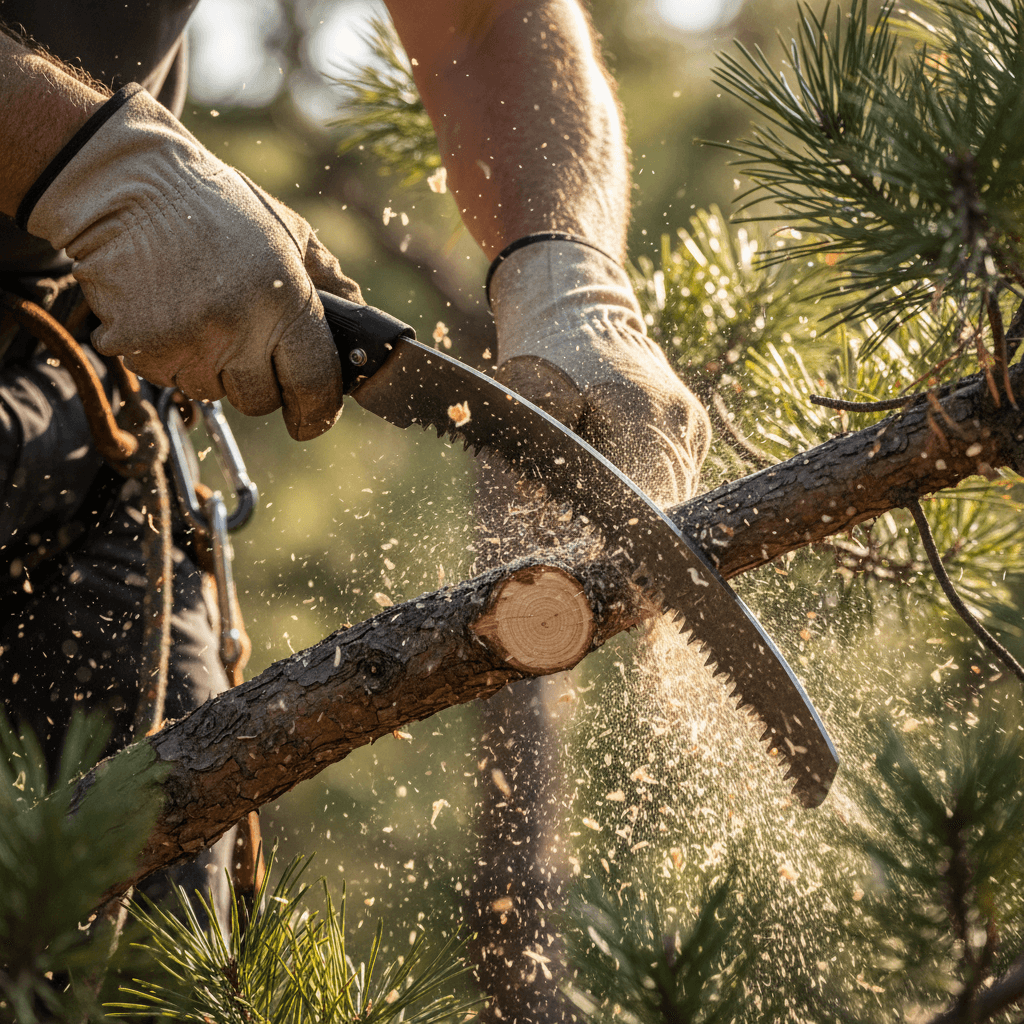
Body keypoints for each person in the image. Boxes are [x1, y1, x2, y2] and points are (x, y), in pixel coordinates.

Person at [0, 0, 709, 1006]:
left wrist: (567, 268)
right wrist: (80, 156)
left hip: (76, 390)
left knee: (150, 976)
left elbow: (483, 20)